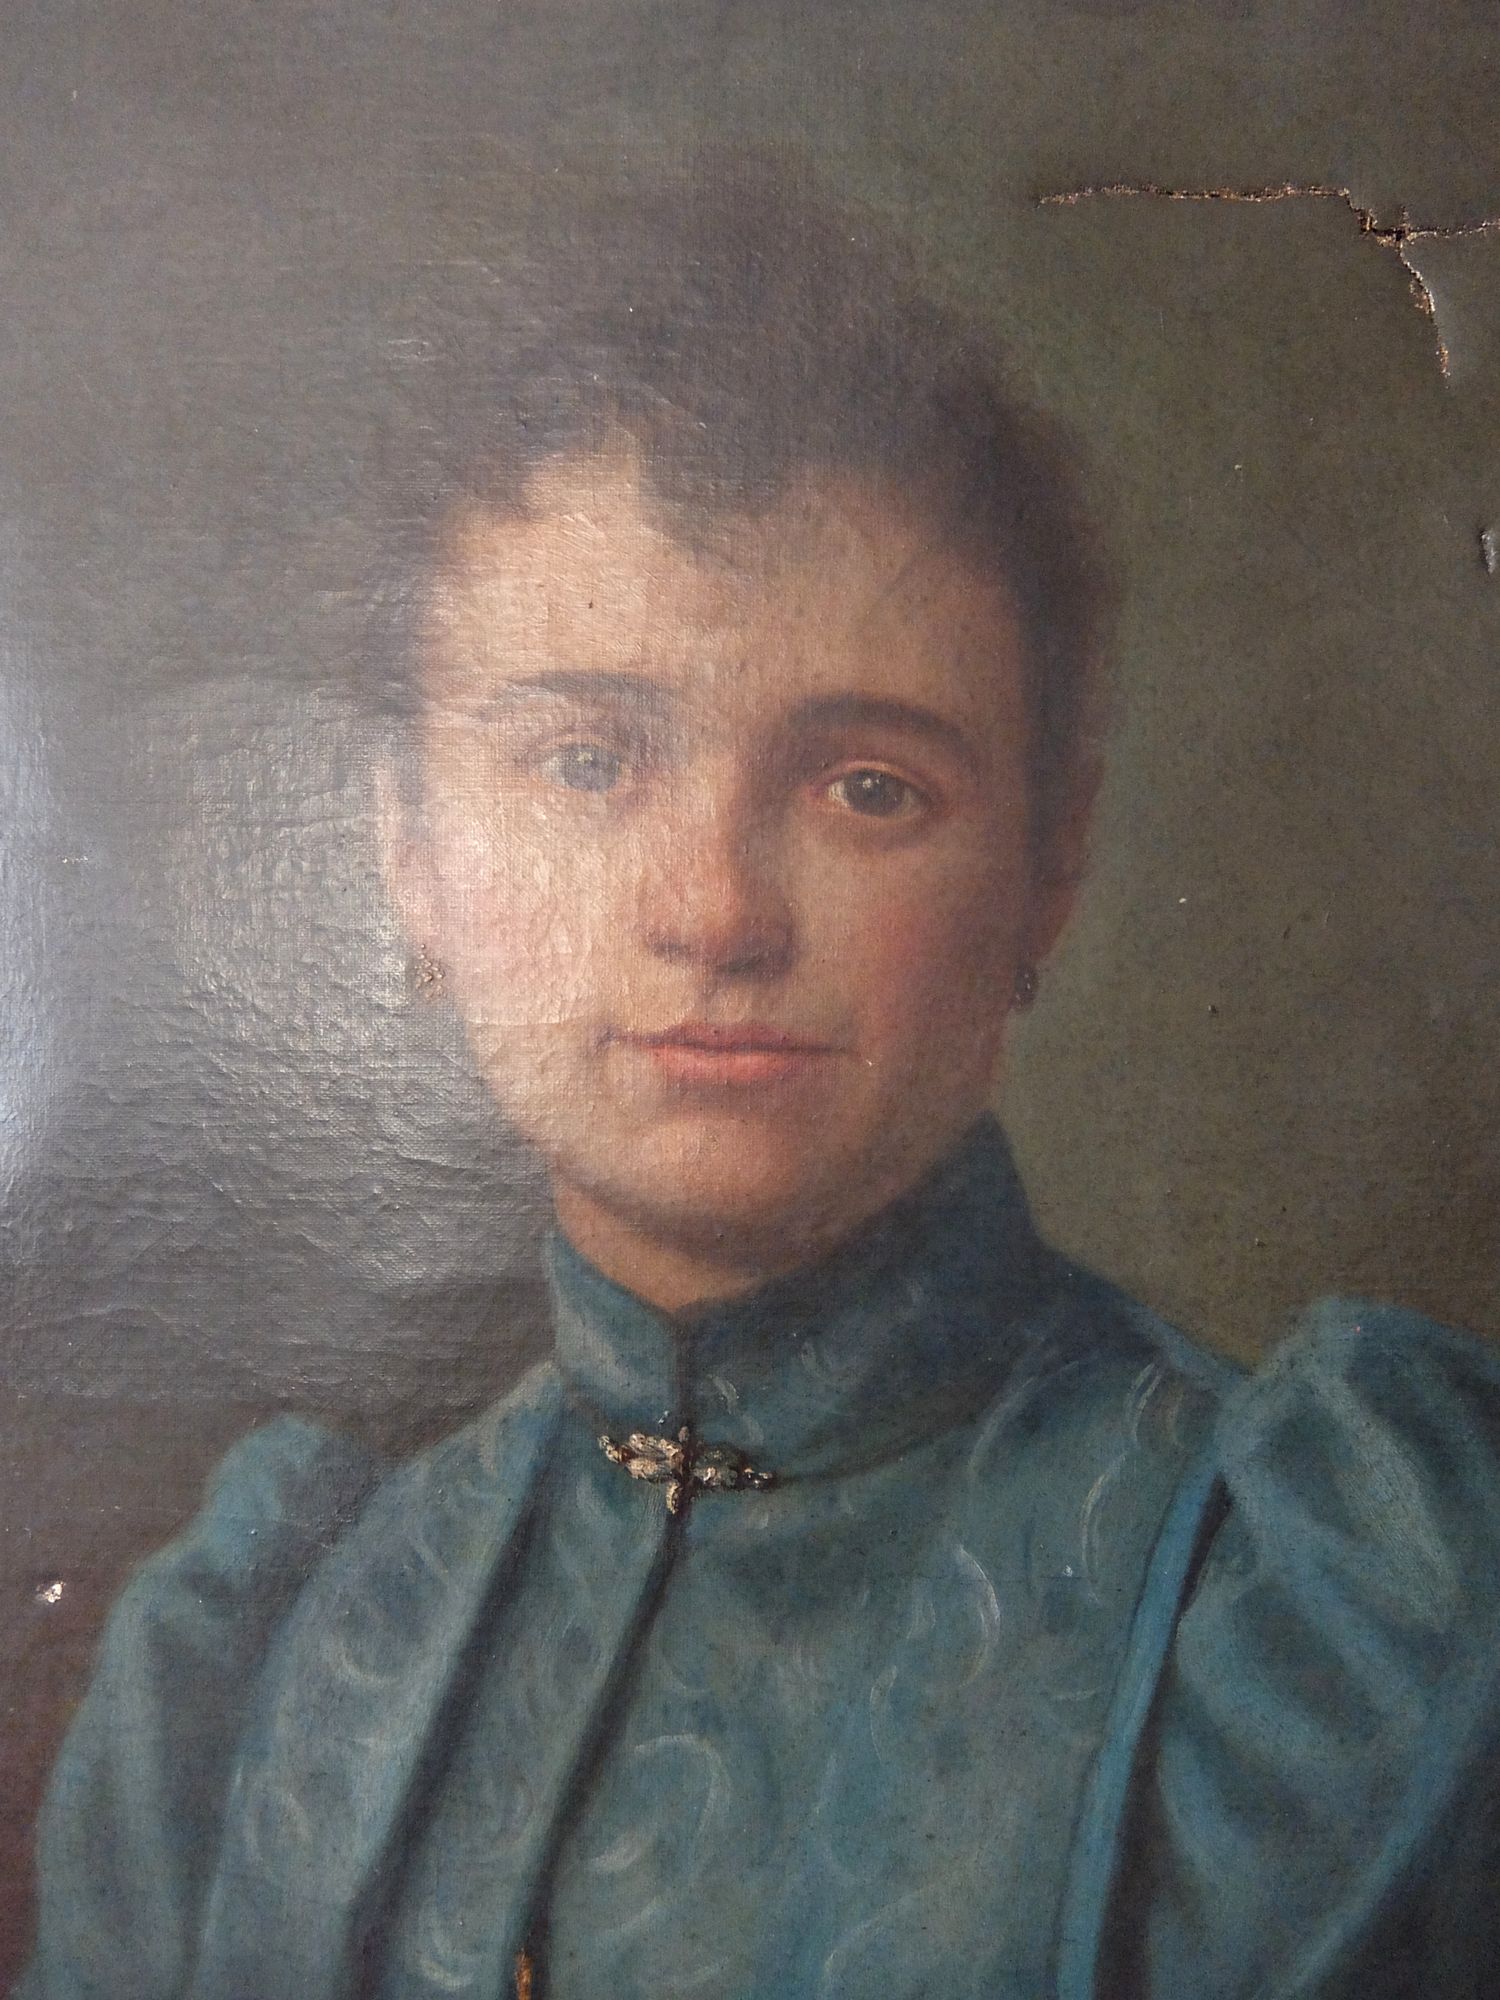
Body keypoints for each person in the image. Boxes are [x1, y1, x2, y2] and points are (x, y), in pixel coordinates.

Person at [22, 166, 1500, 2000]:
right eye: (586, 762)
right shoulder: (259, 1644)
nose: (717, 913)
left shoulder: (1329, 1624)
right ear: (406, 851)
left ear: (1049, 869)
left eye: (868, 788)